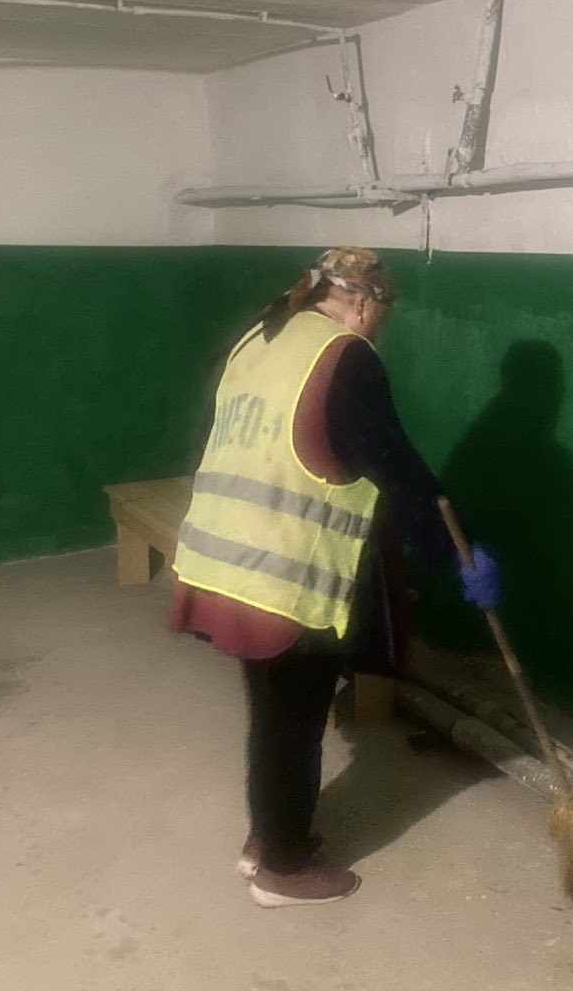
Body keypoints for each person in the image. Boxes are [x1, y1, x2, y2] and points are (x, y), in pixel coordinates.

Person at [169, 246, 500, 908]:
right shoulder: (344, 357)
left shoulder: (260, 338)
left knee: (271, 713)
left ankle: (266, 839)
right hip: (287, 573)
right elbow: (395, 467)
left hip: (223, 558)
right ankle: (284, 870)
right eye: (383, 316)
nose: (379, 329)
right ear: (364, 303)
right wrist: (457, 553)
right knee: (293, 721)